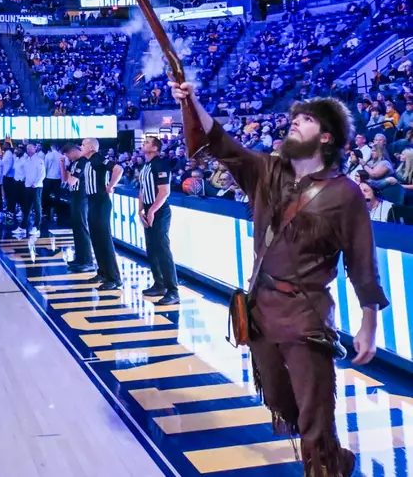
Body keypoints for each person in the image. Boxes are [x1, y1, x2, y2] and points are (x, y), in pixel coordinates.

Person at [172, 81, 388, 477]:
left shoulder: (346, 194)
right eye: (294, 117)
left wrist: (369, 322)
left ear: (325, 137)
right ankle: (335, 458)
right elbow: (223, 145)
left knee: (315, 414)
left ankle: (324, 464)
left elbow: (362, 261)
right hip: (260, 312)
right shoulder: (268, 172)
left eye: (305, 120)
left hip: (306, 317)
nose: (294, 123)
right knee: (278, 399)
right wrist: (192, 100)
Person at [69, 138, 123, 290]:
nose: (81, 147)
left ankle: (114, 277)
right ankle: (103, 272)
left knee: (104, 240)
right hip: (91, 201)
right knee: (96, 238)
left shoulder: (98, 159)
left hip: (101, 202)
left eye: (84, 145)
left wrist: (110, 186)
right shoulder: (86, 162)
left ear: (91, 147)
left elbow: (118, 169)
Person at [138, 135, 179, 305]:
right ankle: (159, 284)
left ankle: (173, 290)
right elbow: (141, 189)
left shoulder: (160, 165)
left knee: (163, 250)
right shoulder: (145, 166)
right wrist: (140, 209)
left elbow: (164, 192)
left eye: (147, 142)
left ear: (155, 148)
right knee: (152, 249)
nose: (143, 144)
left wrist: (152, 210)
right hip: (148, 209)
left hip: (160, 211)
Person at [61, 142, 95, 273]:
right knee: (76, 228)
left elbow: (71, 181)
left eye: (68, 154)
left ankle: (87, 260)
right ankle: (80, 258)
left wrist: (70, 174)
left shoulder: (82, 161)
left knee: (82, 227)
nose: (68, 157)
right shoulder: (73, 162)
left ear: (74, 151)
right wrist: (62, 165)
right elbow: (65, 178)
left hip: (82, 196)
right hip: (74, 196)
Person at [23, 143, 46, 230]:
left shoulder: (39, 160)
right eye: (27, 148)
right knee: (27, 206)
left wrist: (35, 184)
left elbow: (42, 174)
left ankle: (37, 226)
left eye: (31, 148)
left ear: (35, 149)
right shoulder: (27, 160)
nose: (29, 150)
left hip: (36, 187)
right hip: (28, 186)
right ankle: (23, 225)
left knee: (37, 206)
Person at [42, 144, 62, 222]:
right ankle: (57, 213)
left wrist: (44, 176)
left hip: (48, 177)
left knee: (46, 195)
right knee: (57, 196)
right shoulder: (61, 156)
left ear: (51, 147)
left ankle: (45, 212)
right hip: (57, 178)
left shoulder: (48, 155)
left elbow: (45, 167)